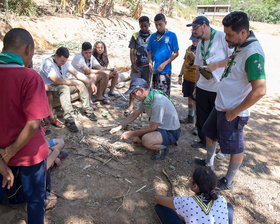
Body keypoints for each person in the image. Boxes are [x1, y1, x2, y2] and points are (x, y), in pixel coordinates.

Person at [195, 11, 266, 191]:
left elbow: (260, 90)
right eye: (225, 33)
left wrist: (235, 112)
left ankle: (228, 180)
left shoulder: (253, 53)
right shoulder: (241, 45)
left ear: (243, 32)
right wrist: (217, 65)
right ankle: (209, 164)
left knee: (235, 147)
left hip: (233, 111)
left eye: (230, 35)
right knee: (210, 133)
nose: (226, 38)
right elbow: (231, 61)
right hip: (221, 105)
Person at [0, 28, 50, 224]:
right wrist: (9, 153)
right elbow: (33, 124)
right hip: (29, 155)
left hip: (1, 154)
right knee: (35, 202)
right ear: (29, 49)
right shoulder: (30, 77)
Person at [187, 16, 233, 149]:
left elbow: (233, 58)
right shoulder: (200, 43)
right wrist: (196, 86)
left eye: (195, 28)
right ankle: (203, 142)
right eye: (192, 29)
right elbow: (197, 67)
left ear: (205, 25)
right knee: (202, 118)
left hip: (218, 87)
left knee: (218, 119)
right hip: (202, 86)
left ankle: (219, 146)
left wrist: (217, 65)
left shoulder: (221, 37)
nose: (193, 31)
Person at [110, 78, 180, 160]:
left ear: (142, 90)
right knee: (135, 139)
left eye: (134, 93)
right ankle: (159, 140)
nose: (133, 96)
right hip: (160, 127)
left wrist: (131, 133)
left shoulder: (157, 102)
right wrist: (120, 126)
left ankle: (163, 148)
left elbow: (152, 127)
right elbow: (135, 114)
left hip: (170, 132)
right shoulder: (148, 98)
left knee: (146, 141)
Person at [40, 47, 98, 133]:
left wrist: (90, 83)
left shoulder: (65, 63)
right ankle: (69, 119)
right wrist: (73, 83)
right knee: (65, 88)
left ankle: (88, 110)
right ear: (56, 56)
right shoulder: (48, 63)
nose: (63, 63)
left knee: (81, 83)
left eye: (65, 61)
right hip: (50, 87)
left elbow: (77, 74)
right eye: (62, 61)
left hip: (61, 84)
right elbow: (56, 80)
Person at [155, 167, 233, 224]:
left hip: (191, 210)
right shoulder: (221, 199)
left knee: (161, 207)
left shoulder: (187, 202)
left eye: (190, 179)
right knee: (228, 206)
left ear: (195, 186)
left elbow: (159, 199)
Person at [125, 15, 152, 116]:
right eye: (141, 26)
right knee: (133, 86)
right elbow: (132, 51)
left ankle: (145, 106)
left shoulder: (153, 36)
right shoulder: (135, 36)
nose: (143, 28)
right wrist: (133, 64)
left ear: (149, 25)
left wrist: (151, 64)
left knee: (145, 86)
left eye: (145, 26)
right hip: (137, 65)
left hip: (147, 66)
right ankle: (130, 106)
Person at [147, 13, 179, 96]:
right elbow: (149, 52)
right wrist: (150, 62)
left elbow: (176, 53)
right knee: (154, 96)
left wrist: (164, 64)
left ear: (165, 23)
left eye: (160, 24)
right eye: (156, 25)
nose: (158, 27)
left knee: (164, 96)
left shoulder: (172, 35)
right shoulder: (153, 36)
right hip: (154, 71)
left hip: (165, 71)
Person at [178, 34, 199, 124]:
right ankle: (190, 117)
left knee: (196, 101)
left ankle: (197, 123)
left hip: (196, 79)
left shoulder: (202, 50)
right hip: (187, 78)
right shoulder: (189, 48)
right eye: (192, 40)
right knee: (189, 98)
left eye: (196, 40)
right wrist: (180, 75)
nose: (193, 42)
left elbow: (202, 64)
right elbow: (185, 62)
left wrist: (194, 56)